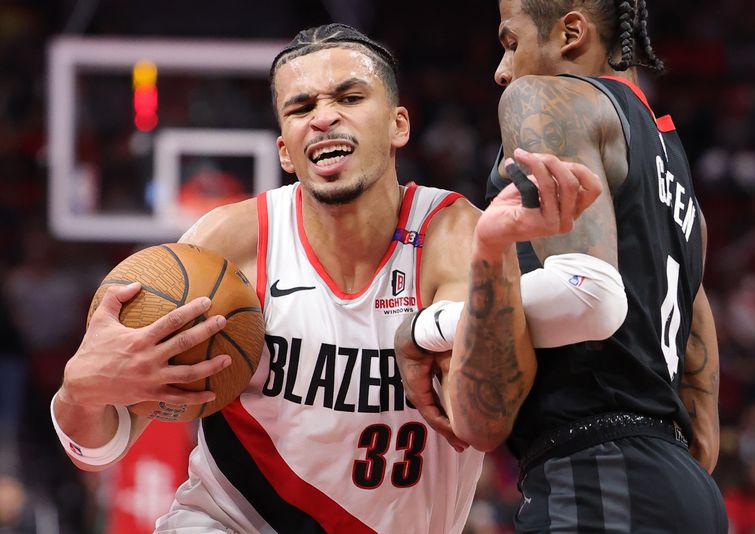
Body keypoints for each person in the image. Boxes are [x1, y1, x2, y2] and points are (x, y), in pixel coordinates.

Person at [50, 23, 599, 533]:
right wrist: (82, 389)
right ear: (286, 150)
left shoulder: (454, 237)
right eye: (302, 106)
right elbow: (101, 443)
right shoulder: (227, 244)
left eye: (349, 97)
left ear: (398, 125)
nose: (323, 116)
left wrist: (492, 258)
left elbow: (477, 421)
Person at [396, 1, 728, 532]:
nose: (501, 72)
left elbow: (588, 297)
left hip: (598, 479)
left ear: (570, 32)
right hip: (682, 488)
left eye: (510, 42)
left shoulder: (544, 97)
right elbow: (704, 434)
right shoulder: (677, 174)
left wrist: (427, 327)